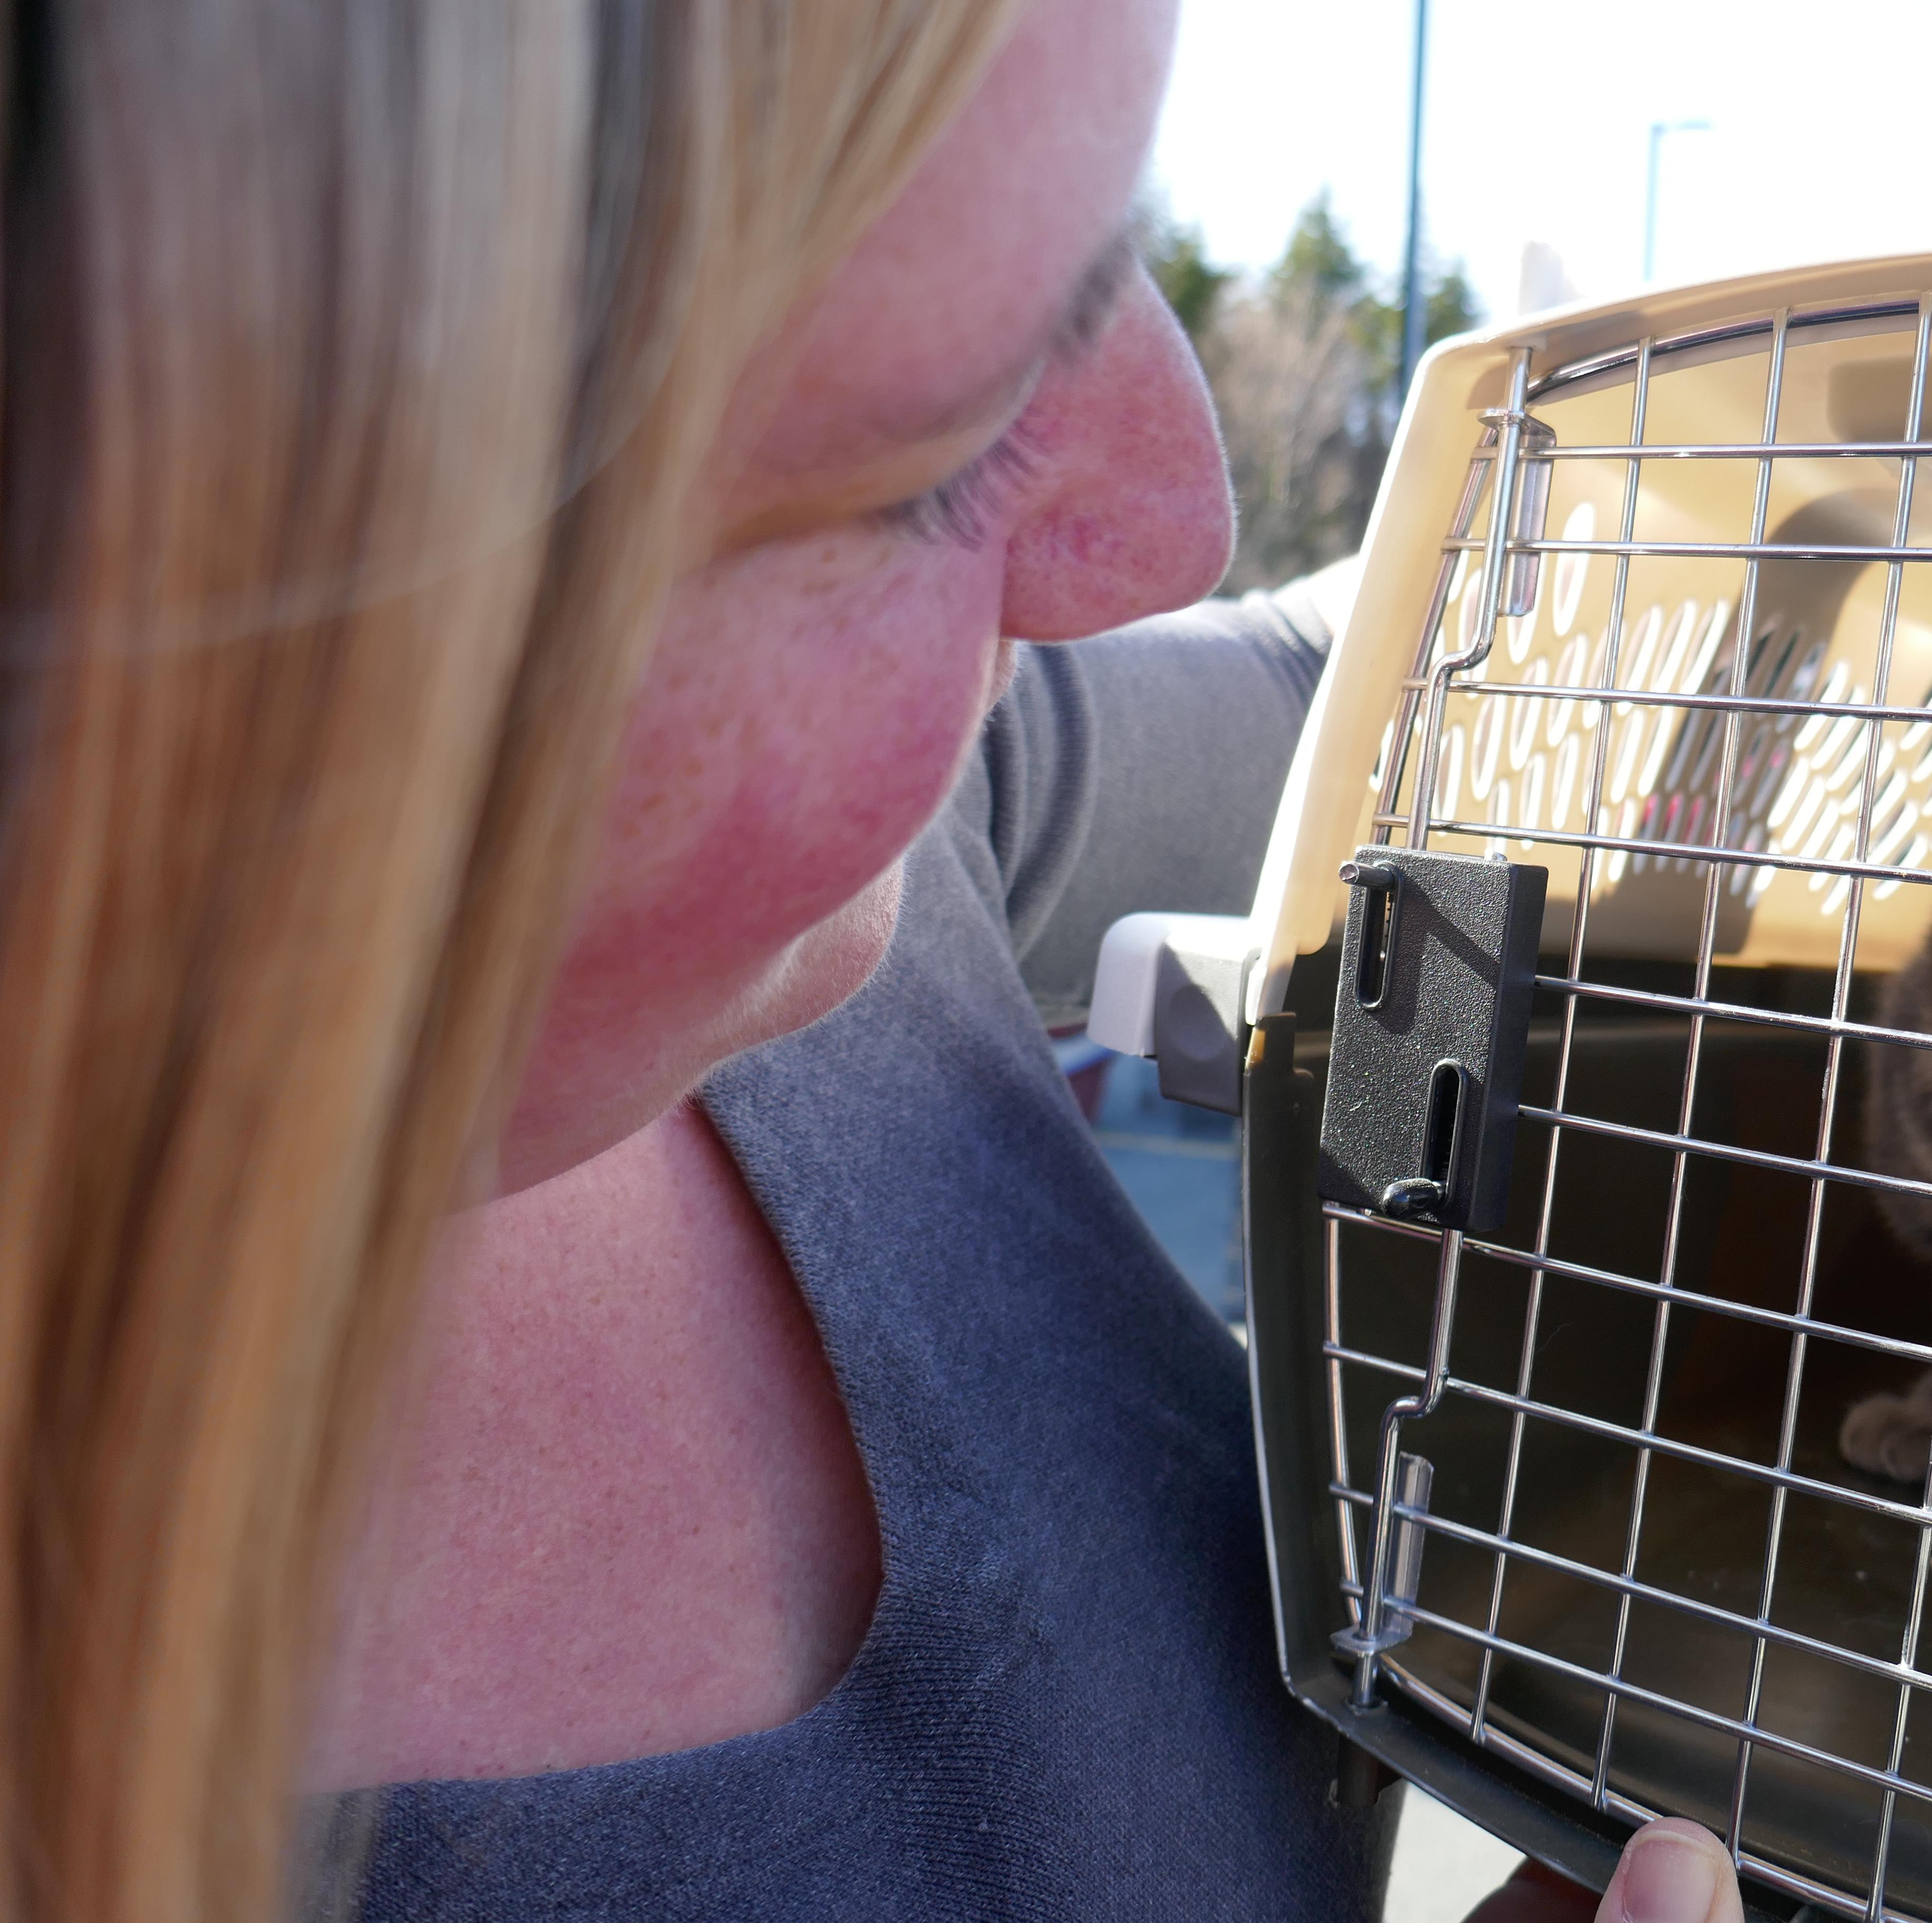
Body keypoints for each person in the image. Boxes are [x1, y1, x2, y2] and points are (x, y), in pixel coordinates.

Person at [0, 0, 1741, 1918]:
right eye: (943, 449)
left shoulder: (922, 814)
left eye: (1119, 249)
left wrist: (1690, 480)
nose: (1184, 520)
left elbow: (1405, 724)